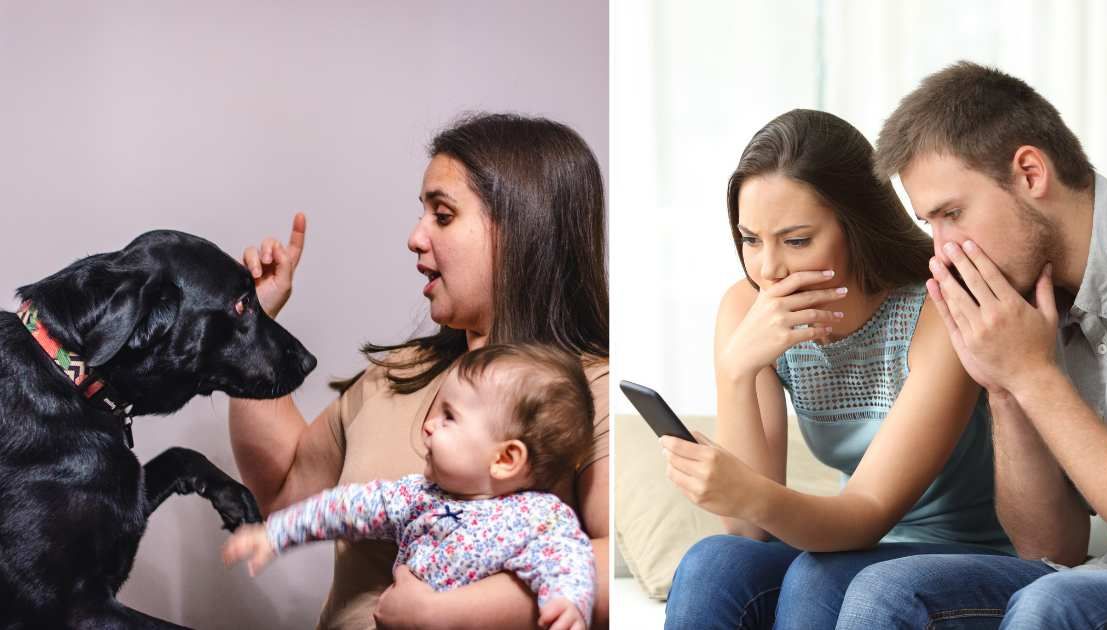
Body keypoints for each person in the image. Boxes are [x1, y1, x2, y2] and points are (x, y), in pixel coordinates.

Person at [832, 60, 1107, 629]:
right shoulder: (1029, 295)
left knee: (1055, 604)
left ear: (1030, 173)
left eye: (953, 214)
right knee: (889, 590)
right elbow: (1049, 547)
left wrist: (1033, 375)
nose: (943, 250)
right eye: (931, 224)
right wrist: (1003, 387)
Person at [228, 113, 610, 629]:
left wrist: (444, 615)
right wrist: (252, 326)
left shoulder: (591, 390)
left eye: (443, 215)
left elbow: (608, 563)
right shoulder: (395, 375)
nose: (414, 237)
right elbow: (283, 493)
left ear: (522, 230)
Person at [662, 109, 1011, 630]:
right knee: (713, 563)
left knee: (819, 577)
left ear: (855, 227)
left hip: (964, 556)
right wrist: (737, 371)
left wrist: (748, 492)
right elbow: (747, 530)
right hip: (850, 547)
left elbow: (867, 512)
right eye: (751, 239)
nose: (768, 269)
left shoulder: (937, 307)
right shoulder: (748, 309)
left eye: (797, 240)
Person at [223, 344, 596, 630]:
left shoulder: (539, 519)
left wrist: (567, 602)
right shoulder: (414, 496)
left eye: (449, 417)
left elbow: (568, 559)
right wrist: (276, 533)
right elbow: (342, 508)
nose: (429, 424)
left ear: (505, 458)